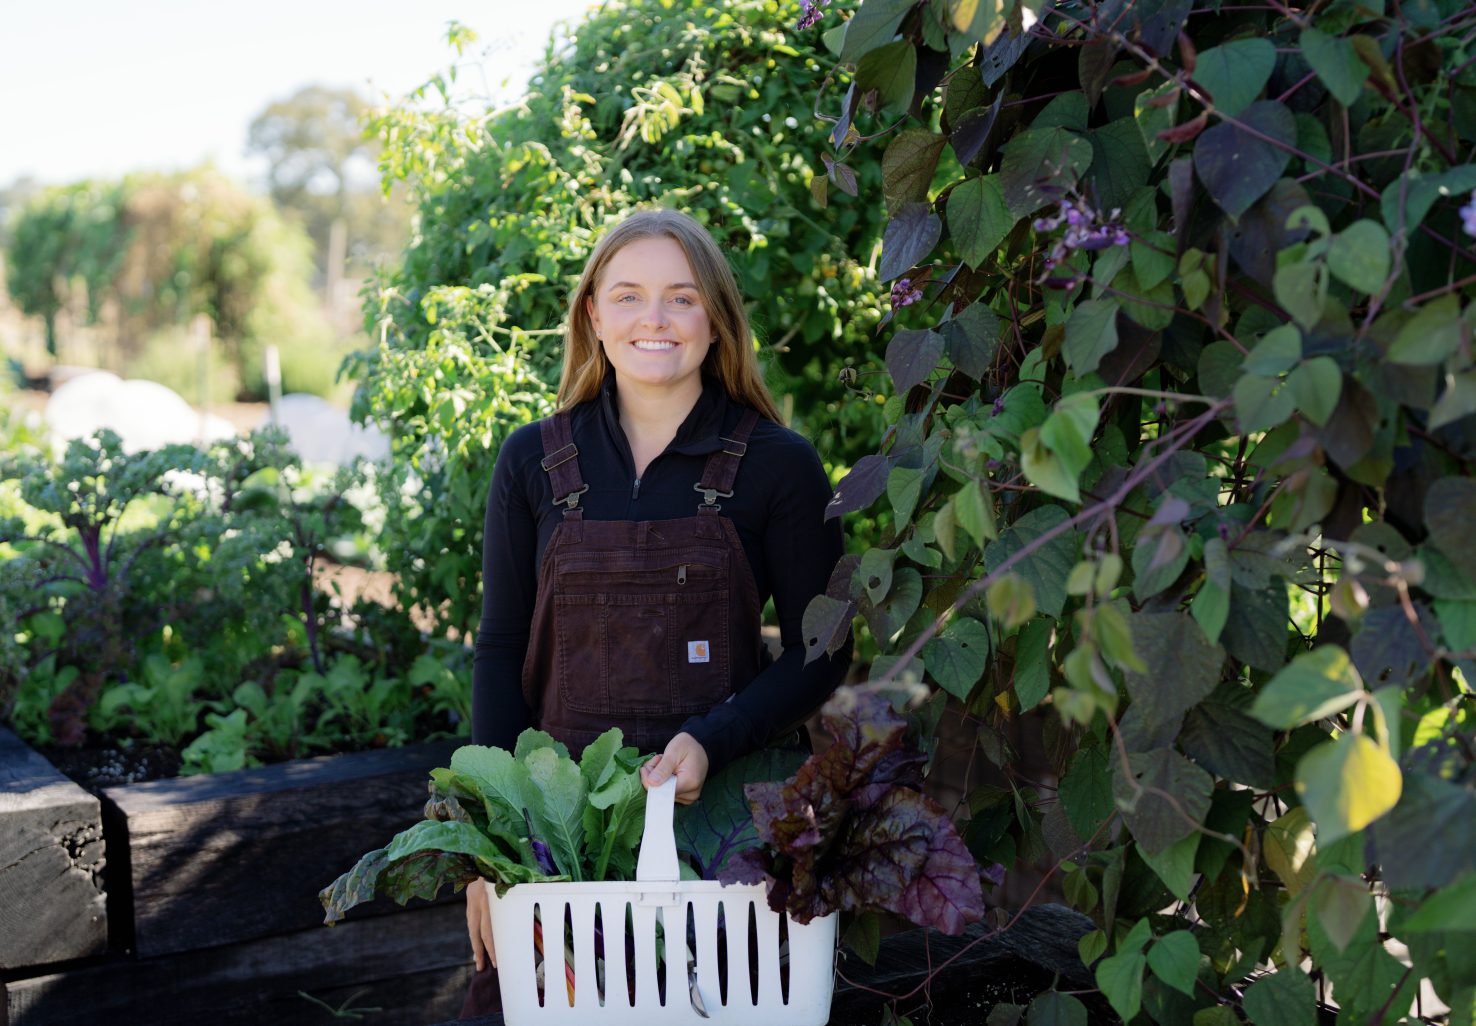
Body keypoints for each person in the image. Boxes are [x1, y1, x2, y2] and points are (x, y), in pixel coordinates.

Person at [458, 208, 852, 1018]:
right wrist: (490, 851)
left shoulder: (780, 464)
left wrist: (711, 740)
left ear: (715, 319)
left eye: (681, 298)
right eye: (629, 296)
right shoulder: (532, 460)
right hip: (564, 838)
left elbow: (825, 651)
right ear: (594, 316)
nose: (655, 319)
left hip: (726, 835)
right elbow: (499, 653)